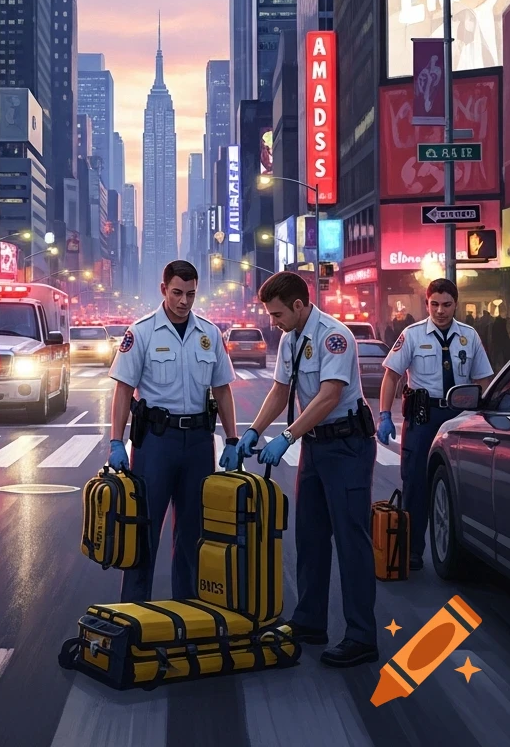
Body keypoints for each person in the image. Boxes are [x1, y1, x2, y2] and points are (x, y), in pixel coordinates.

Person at [231, 272, 378, 668]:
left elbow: (330, 395)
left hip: (347, 445)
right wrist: (255, 430)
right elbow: (280, 389)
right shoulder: (290, 337)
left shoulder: (334, 336)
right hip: (316, 446)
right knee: (310, 536)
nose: (273, 321)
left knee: (351, 540)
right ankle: (310, 621)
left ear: (299, 305)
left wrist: (288, 436)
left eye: (278, 313)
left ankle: (362, 636)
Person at [107, 260, 239, 602]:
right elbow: (123, 389)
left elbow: (222, 389)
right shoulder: (142, 332)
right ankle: (133, 612)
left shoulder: (209, 333)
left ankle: (189, 611)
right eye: (177, 293)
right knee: (144, 528)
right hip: (156, 442)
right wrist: (116, 442)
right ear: (163, 289)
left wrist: (232, 438)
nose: (184, 301)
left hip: (198, 443)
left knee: (194, 532)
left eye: (191, 294)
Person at [378, 279, 493, 570]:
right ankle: (412, 551)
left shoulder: (469, 336)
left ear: (456, 303)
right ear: (426, 303)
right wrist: (383, 415)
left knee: (462, 483)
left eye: (447, 304)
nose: (440, 311)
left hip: (459, 418)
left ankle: (463, 549)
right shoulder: (413, 335)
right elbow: (391, 375)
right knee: (415, 483)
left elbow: (483, 380)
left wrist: (486, 415)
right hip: (423, 418)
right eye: (434, 304)